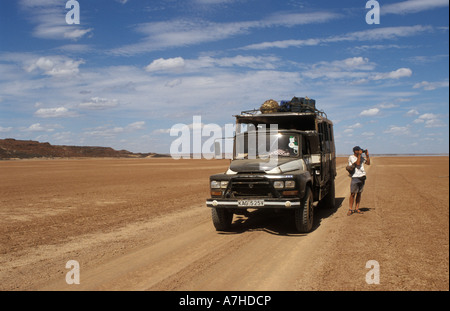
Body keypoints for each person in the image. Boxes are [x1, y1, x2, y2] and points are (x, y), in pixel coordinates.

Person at [347, 146, 370, 215]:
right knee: (353, 193)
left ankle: (357, 208)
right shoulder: (351, 157)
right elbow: (357, 164)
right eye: (359, 150)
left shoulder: (361, 157)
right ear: (355, 151)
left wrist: (367, 156)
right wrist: (360, 155)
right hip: (355, 177)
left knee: (359, 193)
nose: (360, 151)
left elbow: (368, 163)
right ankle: (350, 209)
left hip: (362, 177)